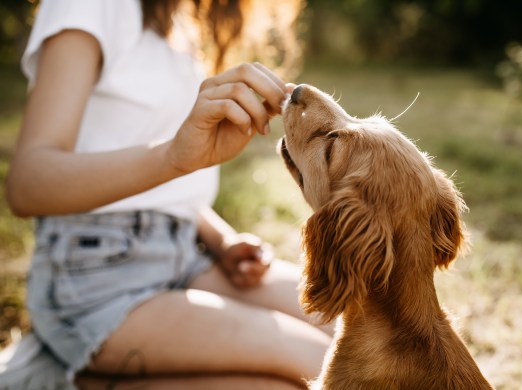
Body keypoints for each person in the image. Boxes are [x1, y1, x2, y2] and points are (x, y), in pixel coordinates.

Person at [1, 0, 332, 388]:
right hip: (96, 278)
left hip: (185, 257)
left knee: (362, 331)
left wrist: (221, 240)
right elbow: (27, 184)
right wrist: (174, 156)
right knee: (318, 366)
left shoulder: (181, 18)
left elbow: (156, 191)